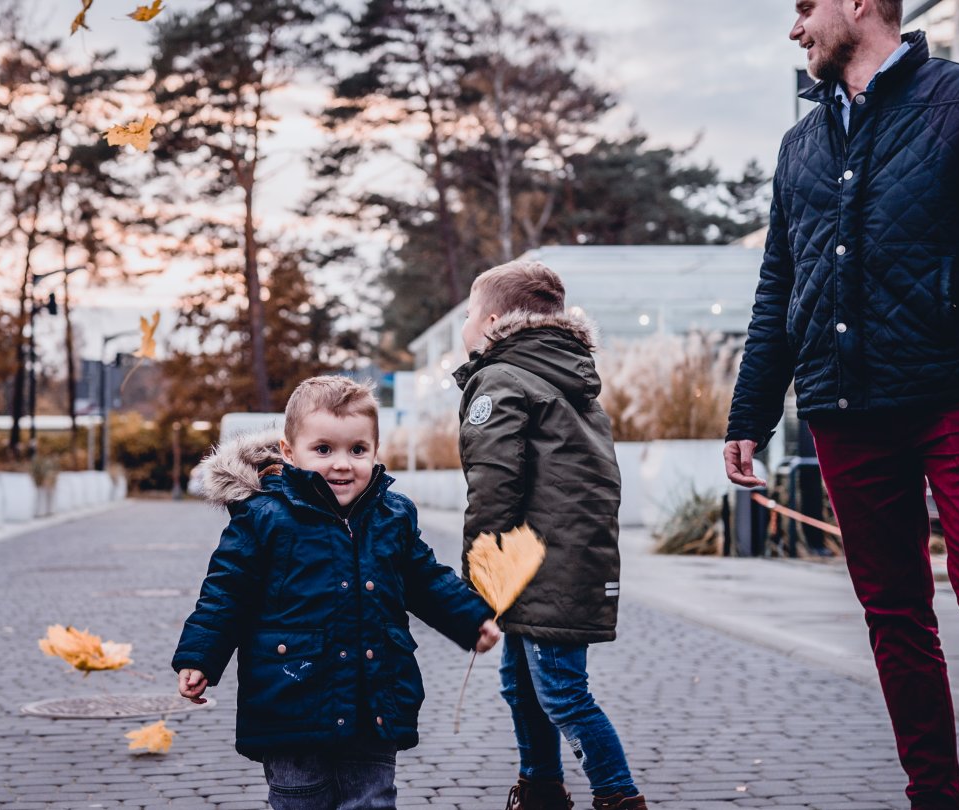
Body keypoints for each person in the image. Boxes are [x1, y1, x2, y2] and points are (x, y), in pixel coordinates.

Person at [723, 0, 959, 807]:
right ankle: (934, 796)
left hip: (957, 400)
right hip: (845, 408)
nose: (795, 27)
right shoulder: (800, 143)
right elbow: (782, 283)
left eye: (805, 6)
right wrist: (751, 412)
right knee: (893, 614)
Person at [174, 376, 503, 810]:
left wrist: (469, 617)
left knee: (372, 799)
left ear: (375, 451)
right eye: (323, 450)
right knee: (300, 799)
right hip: (292, 698)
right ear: (290, 453)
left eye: (358, 450)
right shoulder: (264, 518)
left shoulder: (392, 516)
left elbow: (424, 577)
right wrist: (200, 657)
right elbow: (225, 593)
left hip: (373, 698)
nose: (342, 464)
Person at [455, 261, 645, 810]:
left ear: (492, 321)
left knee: (563, 693)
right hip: (557, 561)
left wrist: (480, 574)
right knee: (522, 686)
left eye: (468, 315)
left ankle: (619, 796)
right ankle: (540, 789)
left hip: (538, 565)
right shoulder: (570, 382)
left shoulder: (501, 380)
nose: (466, 326)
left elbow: (493, 484)